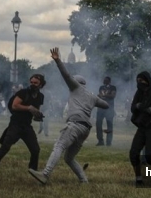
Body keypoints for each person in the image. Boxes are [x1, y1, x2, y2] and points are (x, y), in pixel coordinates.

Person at [29, 48, 108, 185]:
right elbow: (106, 105)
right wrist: (100, 97)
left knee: (59, 146)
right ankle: (84, 180)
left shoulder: (75, 87)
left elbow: (66, 75)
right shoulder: (91, 96)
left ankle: (45, 174)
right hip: (85, 129)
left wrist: (57, 60)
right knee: (69, 157)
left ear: (76, 82)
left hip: (75, 124)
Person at [0, 74, 46, 173]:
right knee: (5, 147)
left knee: (35, 149)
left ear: (41, 85)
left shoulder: (40, 96)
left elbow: (37, 109)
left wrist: (38, 116)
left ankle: (33, 171)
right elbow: (15, 106)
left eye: (36, 83)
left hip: (27, 126)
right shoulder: (23, 93)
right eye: (31, 82)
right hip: (16, 125)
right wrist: (29, 108)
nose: (33, 84)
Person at [96, 76, 116, 146]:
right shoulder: (101, 87)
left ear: (109, 81)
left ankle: (109, 142)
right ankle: (100, 141)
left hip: (109, 108)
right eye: (104, 80)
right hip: (101, 108)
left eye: (106, 80)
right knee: (98, 124)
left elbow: (112, 96)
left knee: (109, 125)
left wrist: (103, 95)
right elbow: (99, 95)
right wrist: (103, 95)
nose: (104, 81)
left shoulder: (113, 87)